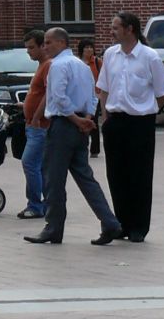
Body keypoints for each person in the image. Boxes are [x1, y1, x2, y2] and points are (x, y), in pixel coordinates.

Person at [24, 27, 123, 247]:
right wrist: (87, 117)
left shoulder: (58, 65)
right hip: (80, 125)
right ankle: (109, 222)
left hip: (63, 125)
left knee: (53, 180)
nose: (45, 46)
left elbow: (58, 97)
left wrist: (76, 120)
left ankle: (53, 227)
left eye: (49, 42)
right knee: (85, 177)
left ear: (61, 43)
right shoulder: (82, 65)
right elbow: (93, 94)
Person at [97, 11, 164, 242]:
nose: (112, 31)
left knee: (139, 174)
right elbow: (104, 87)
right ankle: (121, 223)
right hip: (115, 121)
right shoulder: (110, 54)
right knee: (116, 175)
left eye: (116, 27)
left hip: (140, 123)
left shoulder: (150, 57)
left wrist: (146, 110)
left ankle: (138, 226)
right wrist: (105, 117)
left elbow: (162, 94)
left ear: (130, 29)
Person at [17, 30, 49, 220]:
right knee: (38, 165)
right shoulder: (40, 66)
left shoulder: (47, 66)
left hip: (39, 126)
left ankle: (36, 205)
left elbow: (48, 93)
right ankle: (45, 203)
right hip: (32, 124)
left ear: (42, 46)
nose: (28, 51)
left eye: (31, 47)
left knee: (29, 162)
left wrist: (36, 116)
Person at [77, 37, 102, 157]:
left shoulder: (97, 62)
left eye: (91, 47)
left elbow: (103, 77)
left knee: (94, 121)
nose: (89, 50)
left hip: (95, 96)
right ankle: (82, 146)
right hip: (81, 96)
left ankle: (95, 150)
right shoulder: (77, 63)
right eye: (86, 47)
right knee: (81, 119)